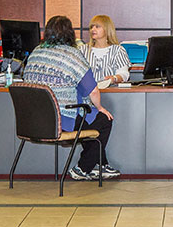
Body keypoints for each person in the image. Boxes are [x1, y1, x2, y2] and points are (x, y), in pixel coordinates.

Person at [23, 15, 121, 181]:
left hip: (33, 121)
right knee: (103, 119)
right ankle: (83, 168)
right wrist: (100, 107)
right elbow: (93, 90)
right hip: (61, 120)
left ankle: (100, 165)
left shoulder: (35, 52)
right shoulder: (72, 55)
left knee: (89, 122)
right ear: (70, 34)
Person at [83, 15, 132, 85]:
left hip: (110, 92)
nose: (93, 29)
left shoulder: (118, 50)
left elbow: (124, 74)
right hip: (86, 93)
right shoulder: (82, 50)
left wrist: (114, 78)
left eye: (97, 27)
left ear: (107, 29)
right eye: (91, 27)